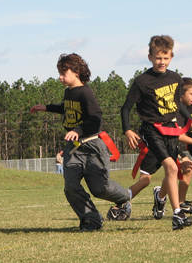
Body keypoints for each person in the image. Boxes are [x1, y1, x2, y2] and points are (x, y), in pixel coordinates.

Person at [30, 53, 131, 232]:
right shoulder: (69, 91)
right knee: (71, 187)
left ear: (76, 71)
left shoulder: (86, 92)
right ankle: (92, 219)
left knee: (100, 188)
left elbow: (96, 119)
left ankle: (125, 197)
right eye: (59, 73)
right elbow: (66, 107)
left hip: (92, 146)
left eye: (63, 72)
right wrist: (45, 108)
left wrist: (77, 130)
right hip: (74, 149)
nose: (60, 77)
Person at [120, 35, 192, 230]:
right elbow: (126, 108)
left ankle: (166, 202)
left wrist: (191, 120)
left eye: (165, 58)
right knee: (172, 168)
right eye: (158, 58)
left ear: (171, 57)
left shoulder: (175, 78)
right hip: (151, 130)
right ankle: (178, 214)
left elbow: (177, 104)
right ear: (150, 57)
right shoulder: (142, 82)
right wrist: (127, 130)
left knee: (174, 169)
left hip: (170, 130)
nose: (162, 62)